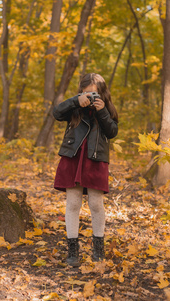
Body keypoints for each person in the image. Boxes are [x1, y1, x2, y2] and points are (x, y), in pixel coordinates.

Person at [53, 73, 119, 267]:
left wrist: (102, 111)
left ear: (102, 93)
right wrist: (76, 101)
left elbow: (112, 132)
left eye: (95, 93)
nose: (91, 97)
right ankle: (72, 250)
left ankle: (98, 248)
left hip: (96, 159)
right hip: (73, 157)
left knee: (96, 204)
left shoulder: (107, 109)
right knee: (73, 203)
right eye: (87, 93)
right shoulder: (74, 108)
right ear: (81, 91)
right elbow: (56, 113)